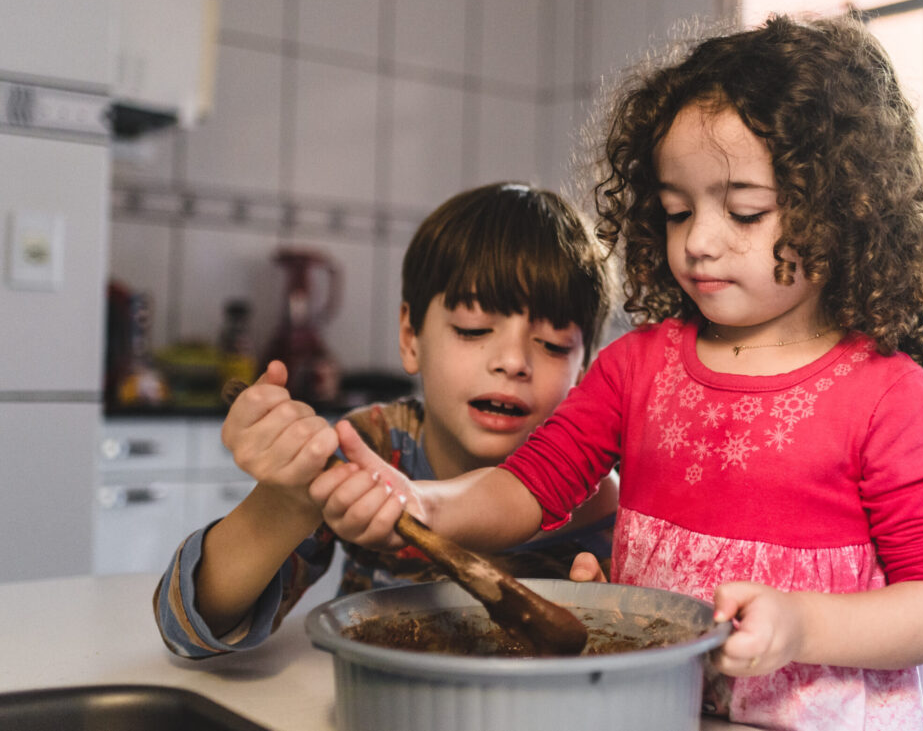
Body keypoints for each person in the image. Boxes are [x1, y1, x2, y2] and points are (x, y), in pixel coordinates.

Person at [311, 14, 923, 730]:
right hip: (657, 710)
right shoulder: (639, 366)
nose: (697, 240)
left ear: (843, 207)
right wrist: (428, 503)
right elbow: (532, 485)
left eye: (745, 211)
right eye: (675, 210)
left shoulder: (884, 393)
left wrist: (803, 626)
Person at [153, 182, 618, 658]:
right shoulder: (370, 449)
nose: (513, 361)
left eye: (554, 344)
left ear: (585, 373)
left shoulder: (599, 499)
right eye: (473, 329)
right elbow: (186, 629)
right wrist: (287, 503)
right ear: (411, 337)